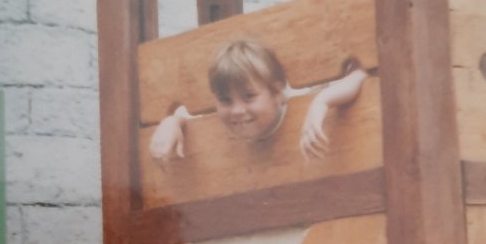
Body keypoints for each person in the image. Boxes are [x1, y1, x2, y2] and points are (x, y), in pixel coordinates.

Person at [148, 39, 367, 162]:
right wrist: (171, 122)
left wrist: (321, 102)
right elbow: (184, 112)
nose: (237, 110)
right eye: (225, 100)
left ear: (277, 92)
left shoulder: (299, 97)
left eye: (249, 96)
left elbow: (360, 75)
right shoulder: (213, 117)